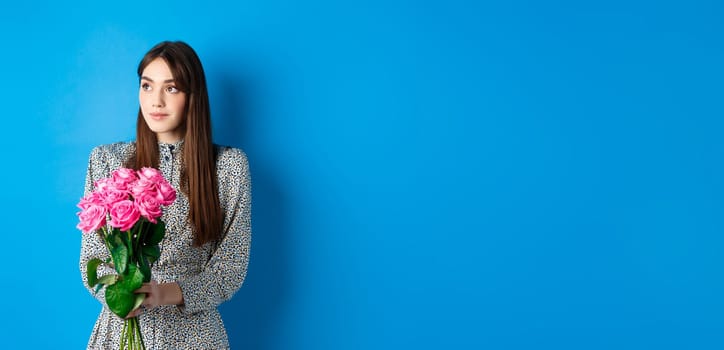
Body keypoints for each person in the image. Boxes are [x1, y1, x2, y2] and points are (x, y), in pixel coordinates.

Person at [79, 41, 251, 349]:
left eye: (171, 89)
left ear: (192, 97)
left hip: (196, 337)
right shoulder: (107, 162)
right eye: (147, 86)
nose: (155, 100)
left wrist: (165, 292)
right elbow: (93, 258)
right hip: (120, 333)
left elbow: (231, 267)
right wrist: (120, 297)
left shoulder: (228, 166)